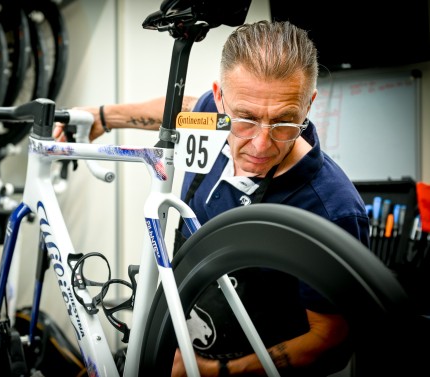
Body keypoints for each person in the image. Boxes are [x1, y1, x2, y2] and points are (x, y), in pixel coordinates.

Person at [54, 20, 370, 377]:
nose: (261, 145)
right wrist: (103, 117)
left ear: (308, 104)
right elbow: (182, 108)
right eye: (245, 119)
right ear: (220, 98)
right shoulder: (210, 117)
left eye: (285, 122)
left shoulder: (332, 210)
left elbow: (331, 343)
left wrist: (214, 371)